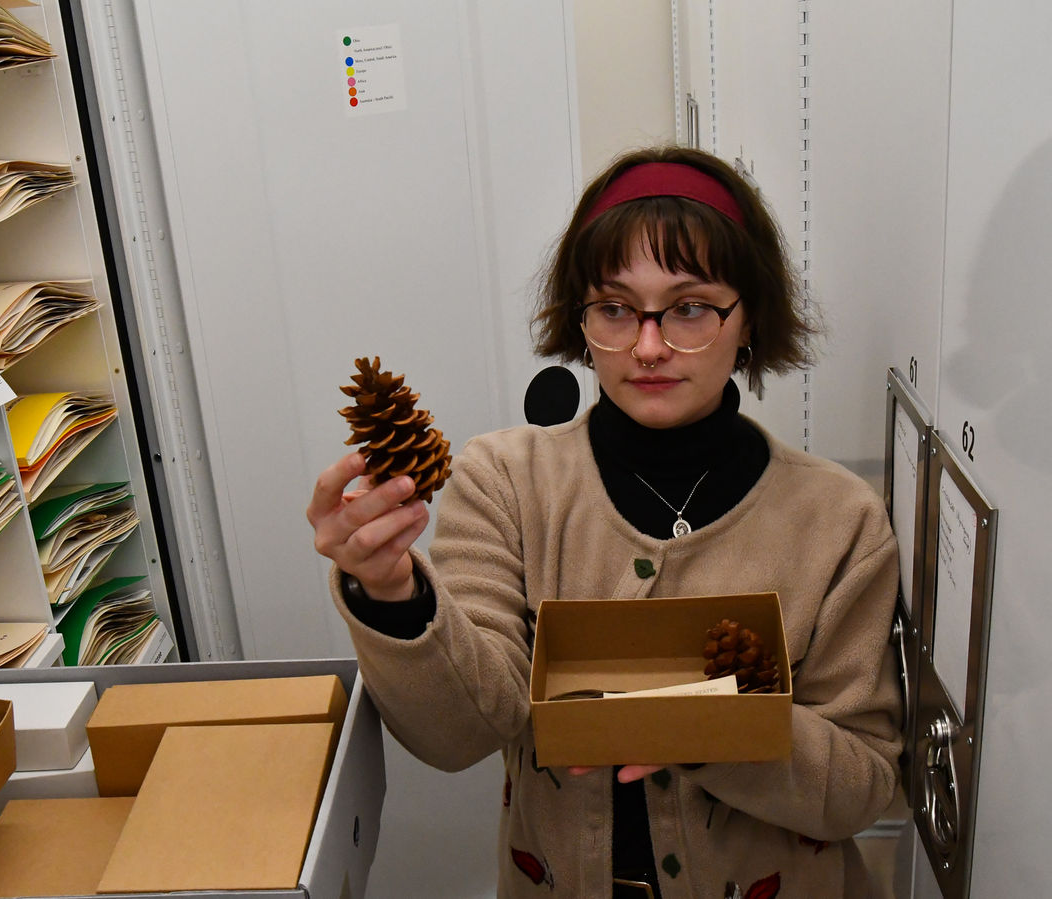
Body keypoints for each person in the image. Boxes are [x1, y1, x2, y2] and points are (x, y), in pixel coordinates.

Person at [306, 146, 902, 899]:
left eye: (689, 307)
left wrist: (703, 728)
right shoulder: (506, 481)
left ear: (748, 316)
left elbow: (861, 786)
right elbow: (458, 732)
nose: (648, 347)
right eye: (616, 308)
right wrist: (391, 590)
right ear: (581, 321)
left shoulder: (838, 520)